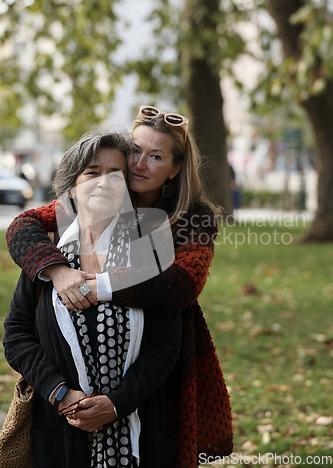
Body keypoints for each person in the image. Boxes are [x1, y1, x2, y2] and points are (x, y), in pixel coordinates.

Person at [5, 106, 233, 467]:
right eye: (135, 151)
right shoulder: (70, 218)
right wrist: (57, 270)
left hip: (150, 398)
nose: (139, 164)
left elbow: (181, 286)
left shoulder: (190, 217)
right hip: (60, 428)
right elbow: (21, 226)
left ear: (175, 169)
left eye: (155, 156)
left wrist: (103, 286)